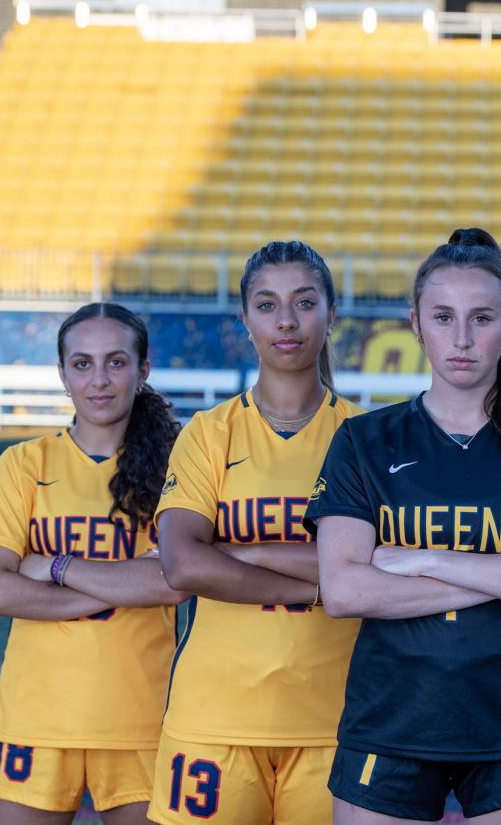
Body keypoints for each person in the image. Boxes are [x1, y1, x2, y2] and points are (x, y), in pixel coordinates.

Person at [305, 228, 501, 824]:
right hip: (390, 722)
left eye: (482, 318)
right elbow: (345, 592)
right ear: (416, 323)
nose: (463, 338)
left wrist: (421, 558)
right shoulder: (364, 441)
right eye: (443, 317)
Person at [149, 241, 362, 825]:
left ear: (331, 313)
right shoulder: (206, 434)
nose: (286, 321)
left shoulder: (370, 438)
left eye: (304, 302)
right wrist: (326, 584)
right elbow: (183, 566)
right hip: (212, 720)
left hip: (338, 724)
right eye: (267, 305)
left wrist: (237, 553)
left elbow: (384, 567)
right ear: (246, 320)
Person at [0, 302, 184, 823]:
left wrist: (56, 566)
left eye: (116, 362)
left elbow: (174, 581)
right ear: (62, 374)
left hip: (145, 720)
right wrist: (128, 582)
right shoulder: (23, 464)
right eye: (82, 364)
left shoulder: (180, 463)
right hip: (34, 720)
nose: (99, 380)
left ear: (143, 369)